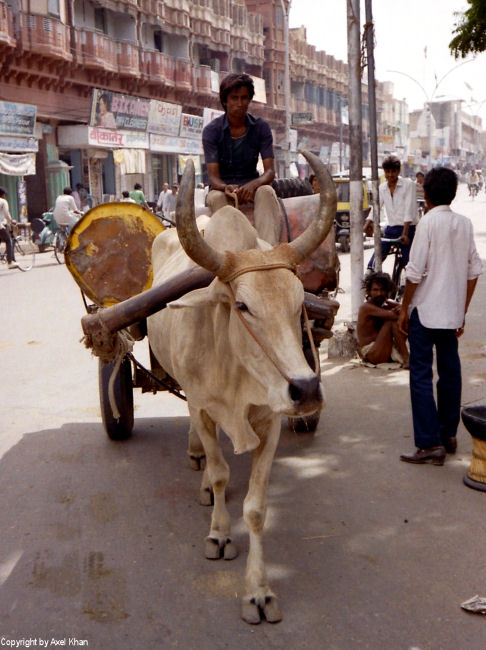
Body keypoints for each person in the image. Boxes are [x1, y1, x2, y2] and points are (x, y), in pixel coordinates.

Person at [398, 167, 483, 466]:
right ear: (454, 192)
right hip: (450, 314)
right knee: (450, 374)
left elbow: (414, 273)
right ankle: (448, 434)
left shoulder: (427, 223)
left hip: (424, 312)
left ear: (427, 195)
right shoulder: (464, 223)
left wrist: (404, 310)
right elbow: (475, 271)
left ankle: (429, 443)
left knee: (420, 375)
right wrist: (462, 310)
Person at [202, 72, 281, 245]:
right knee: (216, 198)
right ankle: (229, 252)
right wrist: (226, 188)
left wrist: (253, 185)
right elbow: (213, 177)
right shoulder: (211, 131)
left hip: (252, 186)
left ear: (249, 99)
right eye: (234, 98)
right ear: (225, 101)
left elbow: (269, 172)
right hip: (223, 189)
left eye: (244, 98)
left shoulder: (261, 127)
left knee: (267, 191)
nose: (240, 103)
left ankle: (269, 251)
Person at [364, 155, 417, 273]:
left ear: (398, 171)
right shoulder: (382, 188)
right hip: (392, 228)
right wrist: (367, 223)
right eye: (387, 172)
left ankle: (405, 280)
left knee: (407, 261)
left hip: (408, 229)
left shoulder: (408, 185)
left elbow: (409, 210)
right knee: (379, 253)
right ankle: (369, 272)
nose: (390, 175)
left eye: (393, 171)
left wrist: (405, 234)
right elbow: (376, 207)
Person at [357, 271, 409, 368]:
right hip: (372, 353)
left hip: (384, 349)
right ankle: (406, 358)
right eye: (375, 290)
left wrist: (402, 308)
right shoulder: (366, 307)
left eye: (382, 290)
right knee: (392, 321)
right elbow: (395, 316)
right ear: (369, 291)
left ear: (388, 290)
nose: (379, 293)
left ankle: (409, 355)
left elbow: (406, 312)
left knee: (405, 318)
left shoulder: (387, 303)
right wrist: (401, 310)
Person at [0, 187, 17, 269]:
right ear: (3, 194)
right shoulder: (3, 201)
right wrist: (11, 221)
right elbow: (6, 214)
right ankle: (10, 262)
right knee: (8, 240)